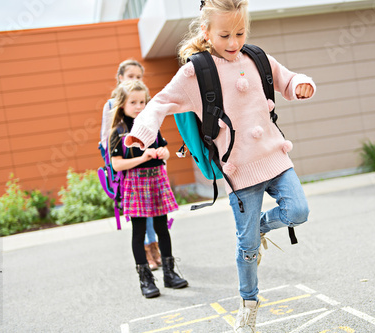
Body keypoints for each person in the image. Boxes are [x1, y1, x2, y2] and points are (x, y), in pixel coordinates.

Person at [124, 0, 315, 328]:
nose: (233, 42)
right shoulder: (195, 73)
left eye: (240, 32)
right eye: (224, 34)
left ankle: (258, 228)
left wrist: (300, 84)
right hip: (239, 172)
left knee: (298, 211)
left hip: (275, 156)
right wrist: (142, 133)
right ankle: (250, 302)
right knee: (248, 248)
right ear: (206, 32)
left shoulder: (256, 58)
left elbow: (286, 79)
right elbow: (160, 103)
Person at [109, 80, 188, 298]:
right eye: (133, 102)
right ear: (122, 104)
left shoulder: (151, 125)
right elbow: (116, 164)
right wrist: (142, 157)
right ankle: (146, 280)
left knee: (163, 229)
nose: (139, 106)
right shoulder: (119, 131)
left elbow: (164, 149)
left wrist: (164, 153)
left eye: (142, 102)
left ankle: (170, 275)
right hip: (135, 183)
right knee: (139, 231)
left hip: (157, 180)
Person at [99, 59, 162, 270]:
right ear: (120, 78)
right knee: (140, 214)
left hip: (150, 167)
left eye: (138, 77)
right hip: (128, 167)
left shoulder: (145, 103)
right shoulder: (111, 105)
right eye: (130, 76)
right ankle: (146, 250)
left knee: (153, 210)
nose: (135, 80)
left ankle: (154, 247)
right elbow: (106, 139)